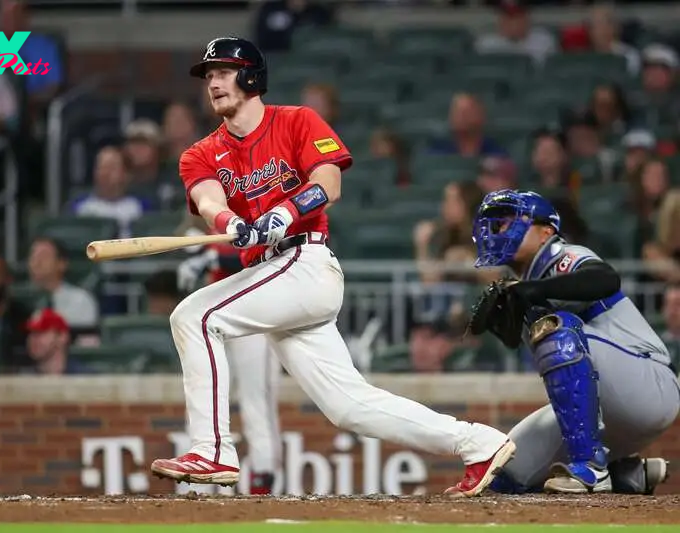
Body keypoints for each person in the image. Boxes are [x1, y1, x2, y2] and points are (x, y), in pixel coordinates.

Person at [149, 36, 515, 497]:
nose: (214, 83)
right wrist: (231, 222)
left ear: (251, 76)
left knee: (194, 315)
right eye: (209, 76)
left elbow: (329, 181)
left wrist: (280, 214)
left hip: (305, 262)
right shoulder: (200, 152)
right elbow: (207, 199)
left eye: (223, 71)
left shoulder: (296, 120)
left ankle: (214, 448)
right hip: (271, 276)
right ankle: (479, 442)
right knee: (349, 408)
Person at [469, 189, 679, 494]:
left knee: (557, 331)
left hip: (650, 386)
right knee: (505, 471)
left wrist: (532, 291)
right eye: (497, 225)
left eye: (510, 222)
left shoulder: (561, 255)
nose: (499, 231)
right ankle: (626, 473)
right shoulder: (523, 284)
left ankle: (592, 468)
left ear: (546, 232)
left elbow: (604, 279)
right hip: (610, 407)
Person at [176, 213, 282, 495]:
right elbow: (191, 249)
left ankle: (264, 477)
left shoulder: (259, 206)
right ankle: (200, 473)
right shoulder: (208, 222)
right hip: (217, 318)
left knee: (256, 401)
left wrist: (213, 260)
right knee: (205, 395)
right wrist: (194, 257)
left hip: (254, 320)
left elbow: (264, 257)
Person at [22, 308, 89, 375]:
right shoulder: (22, 378)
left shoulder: (86, 377)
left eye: (41, 332)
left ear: (62, 337)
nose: (33, 338)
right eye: (30, 332)